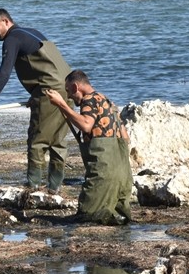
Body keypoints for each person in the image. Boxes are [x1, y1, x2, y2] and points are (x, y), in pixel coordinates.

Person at [0, 9, 71, 191]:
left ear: (6, 21)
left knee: (37, 140)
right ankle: (55, 187)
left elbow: (4, 72)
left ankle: (33, 187)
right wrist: (35, 95)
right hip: (67, 87)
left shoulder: (12, 39)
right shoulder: (32, 32)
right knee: (58, 140)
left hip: (48, 91)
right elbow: (47, 67)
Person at [44, 70, 132, 225]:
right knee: (119, 219)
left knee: (86, 217)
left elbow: (86, 125)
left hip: (103, 175)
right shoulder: (108, 102)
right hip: (123, 177)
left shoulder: (89, 100)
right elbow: (125, 137)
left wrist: (61, 104)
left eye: (68, 91)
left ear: (75, 87)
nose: (69, 96)